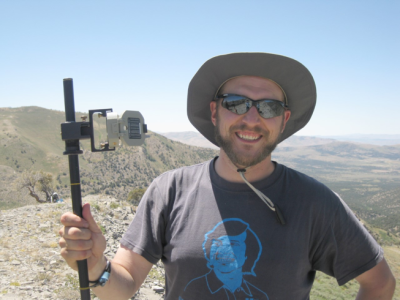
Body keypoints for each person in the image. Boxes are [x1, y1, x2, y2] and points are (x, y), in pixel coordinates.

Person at [59, 53, 396, 299]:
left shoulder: (315, 202)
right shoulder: (170, 191)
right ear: (214, 111)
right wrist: (95, 267)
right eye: (236, 103)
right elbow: (126, 282)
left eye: (269, 107)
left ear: (284, 119)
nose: (251, 118)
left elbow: (380, 284)